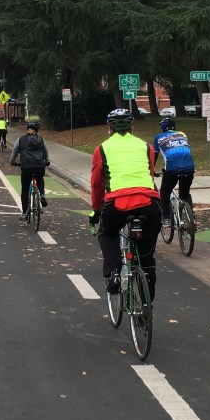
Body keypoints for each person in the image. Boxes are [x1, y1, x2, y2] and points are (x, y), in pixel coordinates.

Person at [88, 108, 161, 300]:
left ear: (109, 128)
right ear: (132, 127)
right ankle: (146, 304)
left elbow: (96, 184)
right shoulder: (146, 146)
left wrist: (96, 210)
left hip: (117, 203)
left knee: (107, 232)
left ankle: (113, 273)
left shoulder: (101, 149)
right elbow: (150, 174)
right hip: (149, 202)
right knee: (146, 257)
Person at [153, 117, 195, 226]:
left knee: (165, 192)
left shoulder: (158, 138)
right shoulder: (182, 134)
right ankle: (192, 219)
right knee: (185, 194)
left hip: (172, 170)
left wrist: (151, 170)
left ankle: (166, 218)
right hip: (189, 168)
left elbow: (154, 156)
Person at [9, 120, 49, 220]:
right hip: (39, 167)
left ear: (27, 129)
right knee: (40, 179)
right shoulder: (41, 139)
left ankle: (25, 213)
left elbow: (14, 151)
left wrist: (12, 162)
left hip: (26, 168)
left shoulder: (21, 139)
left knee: (25, 190)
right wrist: (47, 161)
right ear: (37, 130)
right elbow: (45, 152)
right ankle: (42, 194)